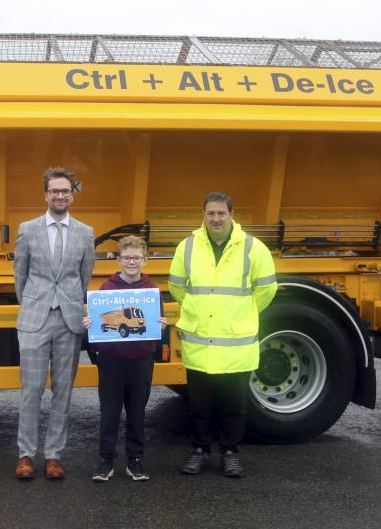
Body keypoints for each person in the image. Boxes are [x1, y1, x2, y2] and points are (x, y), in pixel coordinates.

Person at [168, 192, 276, 478]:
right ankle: (199, 451)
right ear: (202, 214)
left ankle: (230, 453)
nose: (215, 218)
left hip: (234, 343)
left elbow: (266, 291)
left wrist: (240, 313)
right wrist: (198, 309)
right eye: (210, 213)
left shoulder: (253, 248)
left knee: (234, 406)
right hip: (200, 340)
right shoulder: (187, 247)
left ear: (231, 214)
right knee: (199, 406)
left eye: (220, 213)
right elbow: (177, 287)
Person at [13, 167, 96, 480]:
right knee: (31, 390)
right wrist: (35, 303)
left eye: (65, 191)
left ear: (72, 194)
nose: (60, 195)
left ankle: (54, 456)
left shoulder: (85, 233)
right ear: (45, 194)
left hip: (70, 321)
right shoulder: (28, 229)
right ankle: (25, 455)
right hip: (35, 319)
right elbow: (20, 277)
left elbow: (84, 275)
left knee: (63, 391)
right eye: (54, 191)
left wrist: (69, 302)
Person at [82, 235, 166, 482]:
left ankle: (135, 460)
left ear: (145, 260)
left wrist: (161, 326)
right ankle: (105, 460)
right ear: (118, 260)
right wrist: (89, 324)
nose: (132, 262)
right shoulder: (106, 289)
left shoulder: (151, 291)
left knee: (137, 412)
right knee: (109, 411)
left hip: (141, 360)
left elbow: (156, 324)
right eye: (127, 257)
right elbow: (97, 323)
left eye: (137, 258)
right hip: (112, 360)